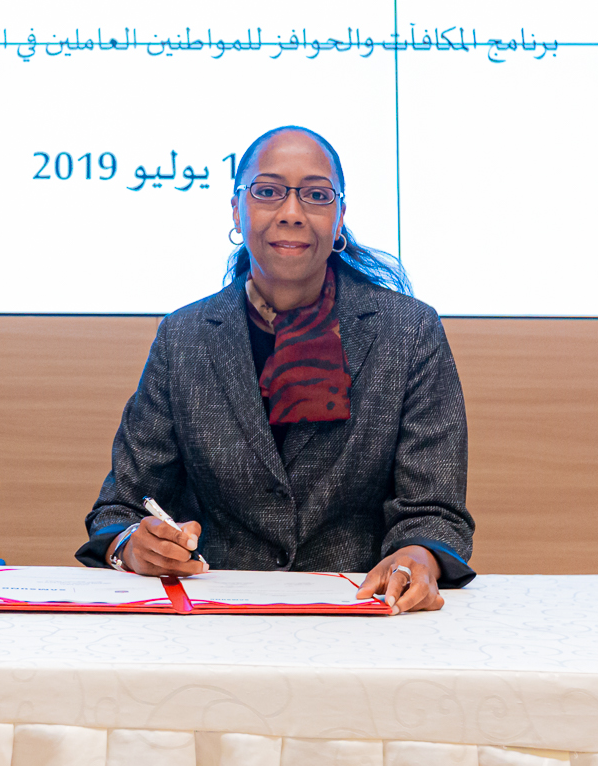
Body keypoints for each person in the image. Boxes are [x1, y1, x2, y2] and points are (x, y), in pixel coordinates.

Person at [77, 125, 473, 611]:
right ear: (236, 211)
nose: (291, 213)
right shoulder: (184, 337)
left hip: (362, 612)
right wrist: (132, 545)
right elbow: (122, 506)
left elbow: (435, 511)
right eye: (267, 192)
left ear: (340, 217)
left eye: (316, 195)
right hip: (214, 615)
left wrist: (418, 556)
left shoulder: (408, 332)